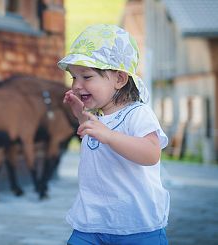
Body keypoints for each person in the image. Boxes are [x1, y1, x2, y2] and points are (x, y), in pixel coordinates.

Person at [59, 24, 169, 245]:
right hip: (91, 221)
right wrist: (82, 118)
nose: (77, 85)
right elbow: (96, 143)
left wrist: (108, 135)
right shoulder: (98, 118)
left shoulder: (138, 113)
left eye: (87, 77)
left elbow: (151, 153)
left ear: (119, 79)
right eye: (73, 77)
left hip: (136, 226)